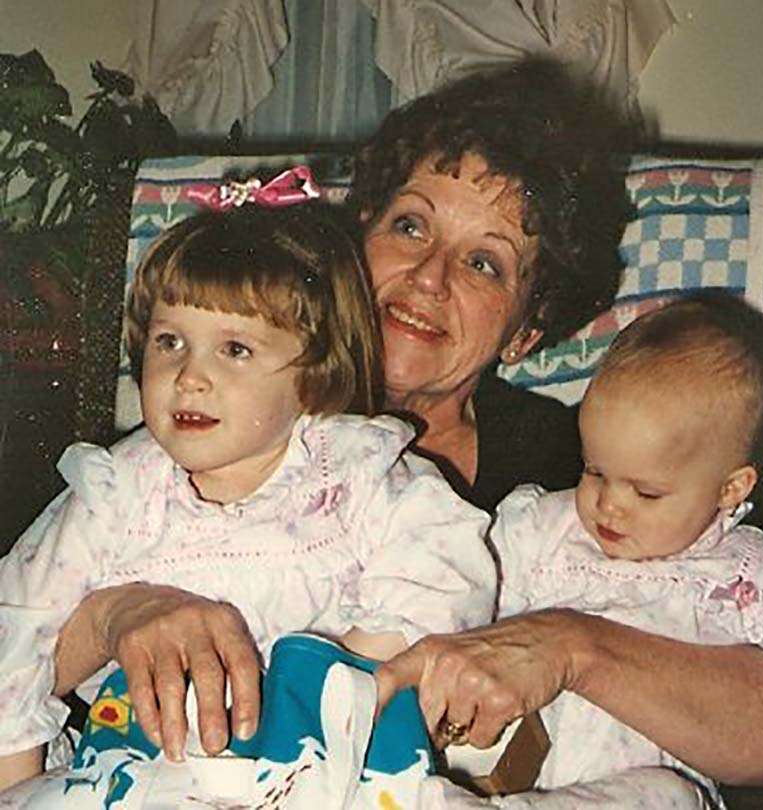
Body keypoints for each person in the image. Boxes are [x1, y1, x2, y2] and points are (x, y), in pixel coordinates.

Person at [13, 57, 763, 798]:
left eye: (484, 262)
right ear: (359, 238)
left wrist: (569, 648)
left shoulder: (598, 471)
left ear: (527, 330)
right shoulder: (200, 429)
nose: (428, 276)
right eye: (410, 225)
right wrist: (114, 617)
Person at [0, 202, 495, 795]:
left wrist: (321, 688)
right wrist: (21, 786)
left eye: (234, 349)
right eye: (169, 342)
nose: (189, 376)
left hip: (326, 768)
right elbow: (16, 636)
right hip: (144, 776)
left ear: (313, 376)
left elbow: (446, 580)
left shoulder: (358, 476)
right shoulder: (116, 493)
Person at [482, 295, 763, 807]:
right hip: (503, 770)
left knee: (666, 795)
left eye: (646, 492)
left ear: (730, 489)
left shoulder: (751, 578)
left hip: (648, 796)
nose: (609, 505)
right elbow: (469, 590)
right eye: (594, 471)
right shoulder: (546, 528)